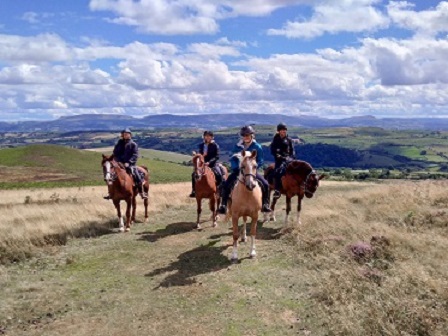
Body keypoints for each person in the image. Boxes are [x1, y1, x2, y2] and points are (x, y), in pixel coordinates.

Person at [218, 125, 271, 214]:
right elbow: (233, 158)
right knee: (226, 184)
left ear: (252, 135)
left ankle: (265, 204)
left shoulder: (257, 146)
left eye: (248, 135)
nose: (246, 137)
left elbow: (261, 160)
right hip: (238, 170)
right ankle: (223, 205)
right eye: (244, 135)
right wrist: (236, 168)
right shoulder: (237, 146)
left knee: (265, 184)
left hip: (251, 172)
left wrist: (253, 168)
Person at [104, 128, 147, 200]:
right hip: (119, 163)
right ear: (122, 136)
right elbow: (115, 153)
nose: (126, 135)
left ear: (130, 135)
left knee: (136, 175)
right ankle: (110, 193)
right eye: (124, 134)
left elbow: (135, 155)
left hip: (129, 164)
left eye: (127, 134)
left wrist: (129, 162)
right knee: (111, 175)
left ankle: (141, 192)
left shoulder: (133, 144)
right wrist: (115, 160)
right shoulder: (119, 144)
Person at [189, 130, 224, 197]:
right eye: (206, 136)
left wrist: (209, 162)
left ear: (212, 137)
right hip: (202, 164)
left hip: (212, 163)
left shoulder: (215, 146)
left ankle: (220, 190)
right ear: (204, 137)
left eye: (209, 136)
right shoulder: (201, 145)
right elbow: (200, 155)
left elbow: (216, 156)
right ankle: (194, 190)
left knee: (219, 173)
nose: (207, 137)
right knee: (194, 174)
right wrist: (196, 155)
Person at [270, 122, 295, 199]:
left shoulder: (289, 140)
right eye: (282, 130)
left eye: (284, 130)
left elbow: (292, 151)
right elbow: (273, 151)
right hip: (279, 160)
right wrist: (279, 156)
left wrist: (291, 158)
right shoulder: (275, 140)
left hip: (289, 160)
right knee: (278, 172)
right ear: (279, 131)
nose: (283, 131)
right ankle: (277, 190)